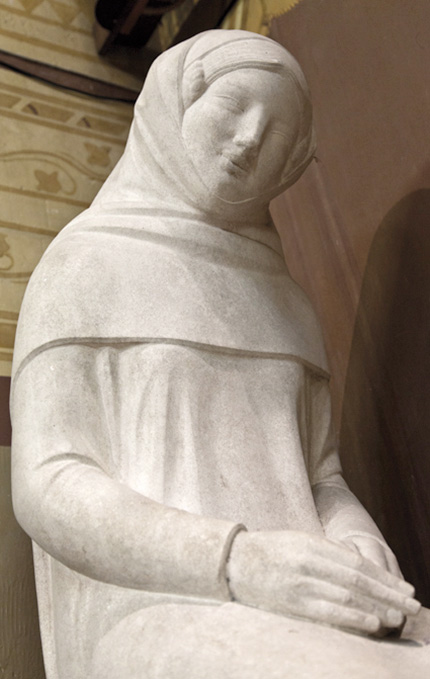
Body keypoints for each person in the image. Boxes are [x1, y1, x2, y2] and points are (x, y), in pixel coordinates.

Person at [10, 30, 423, 679]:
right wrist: (235, 560)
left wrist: (357, 542)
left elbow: (321, 479)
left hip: (313, 590)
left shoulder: (289, 304)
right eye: (232, 107)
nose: (249, 140)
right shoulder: (83, 264)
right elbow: (49, 480)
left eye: (277, 134)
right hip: (157, 599)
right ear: (175, 104)